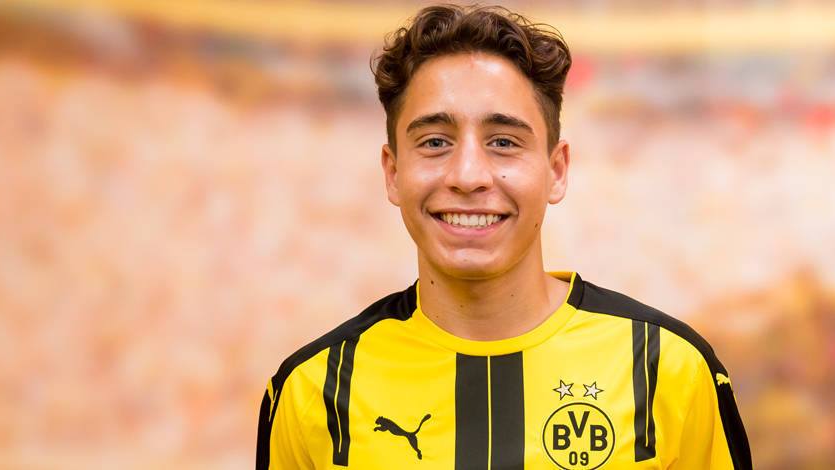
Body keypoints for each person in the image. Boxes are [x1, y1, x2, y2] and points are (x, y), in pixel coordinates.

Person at [256, 4, 752, 469]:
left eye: (503, 142)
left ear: (556, 170)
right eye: (435, 142)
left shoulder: (668, 369)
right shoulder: (312, 391)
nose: (468, 175)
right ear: (393, 172)